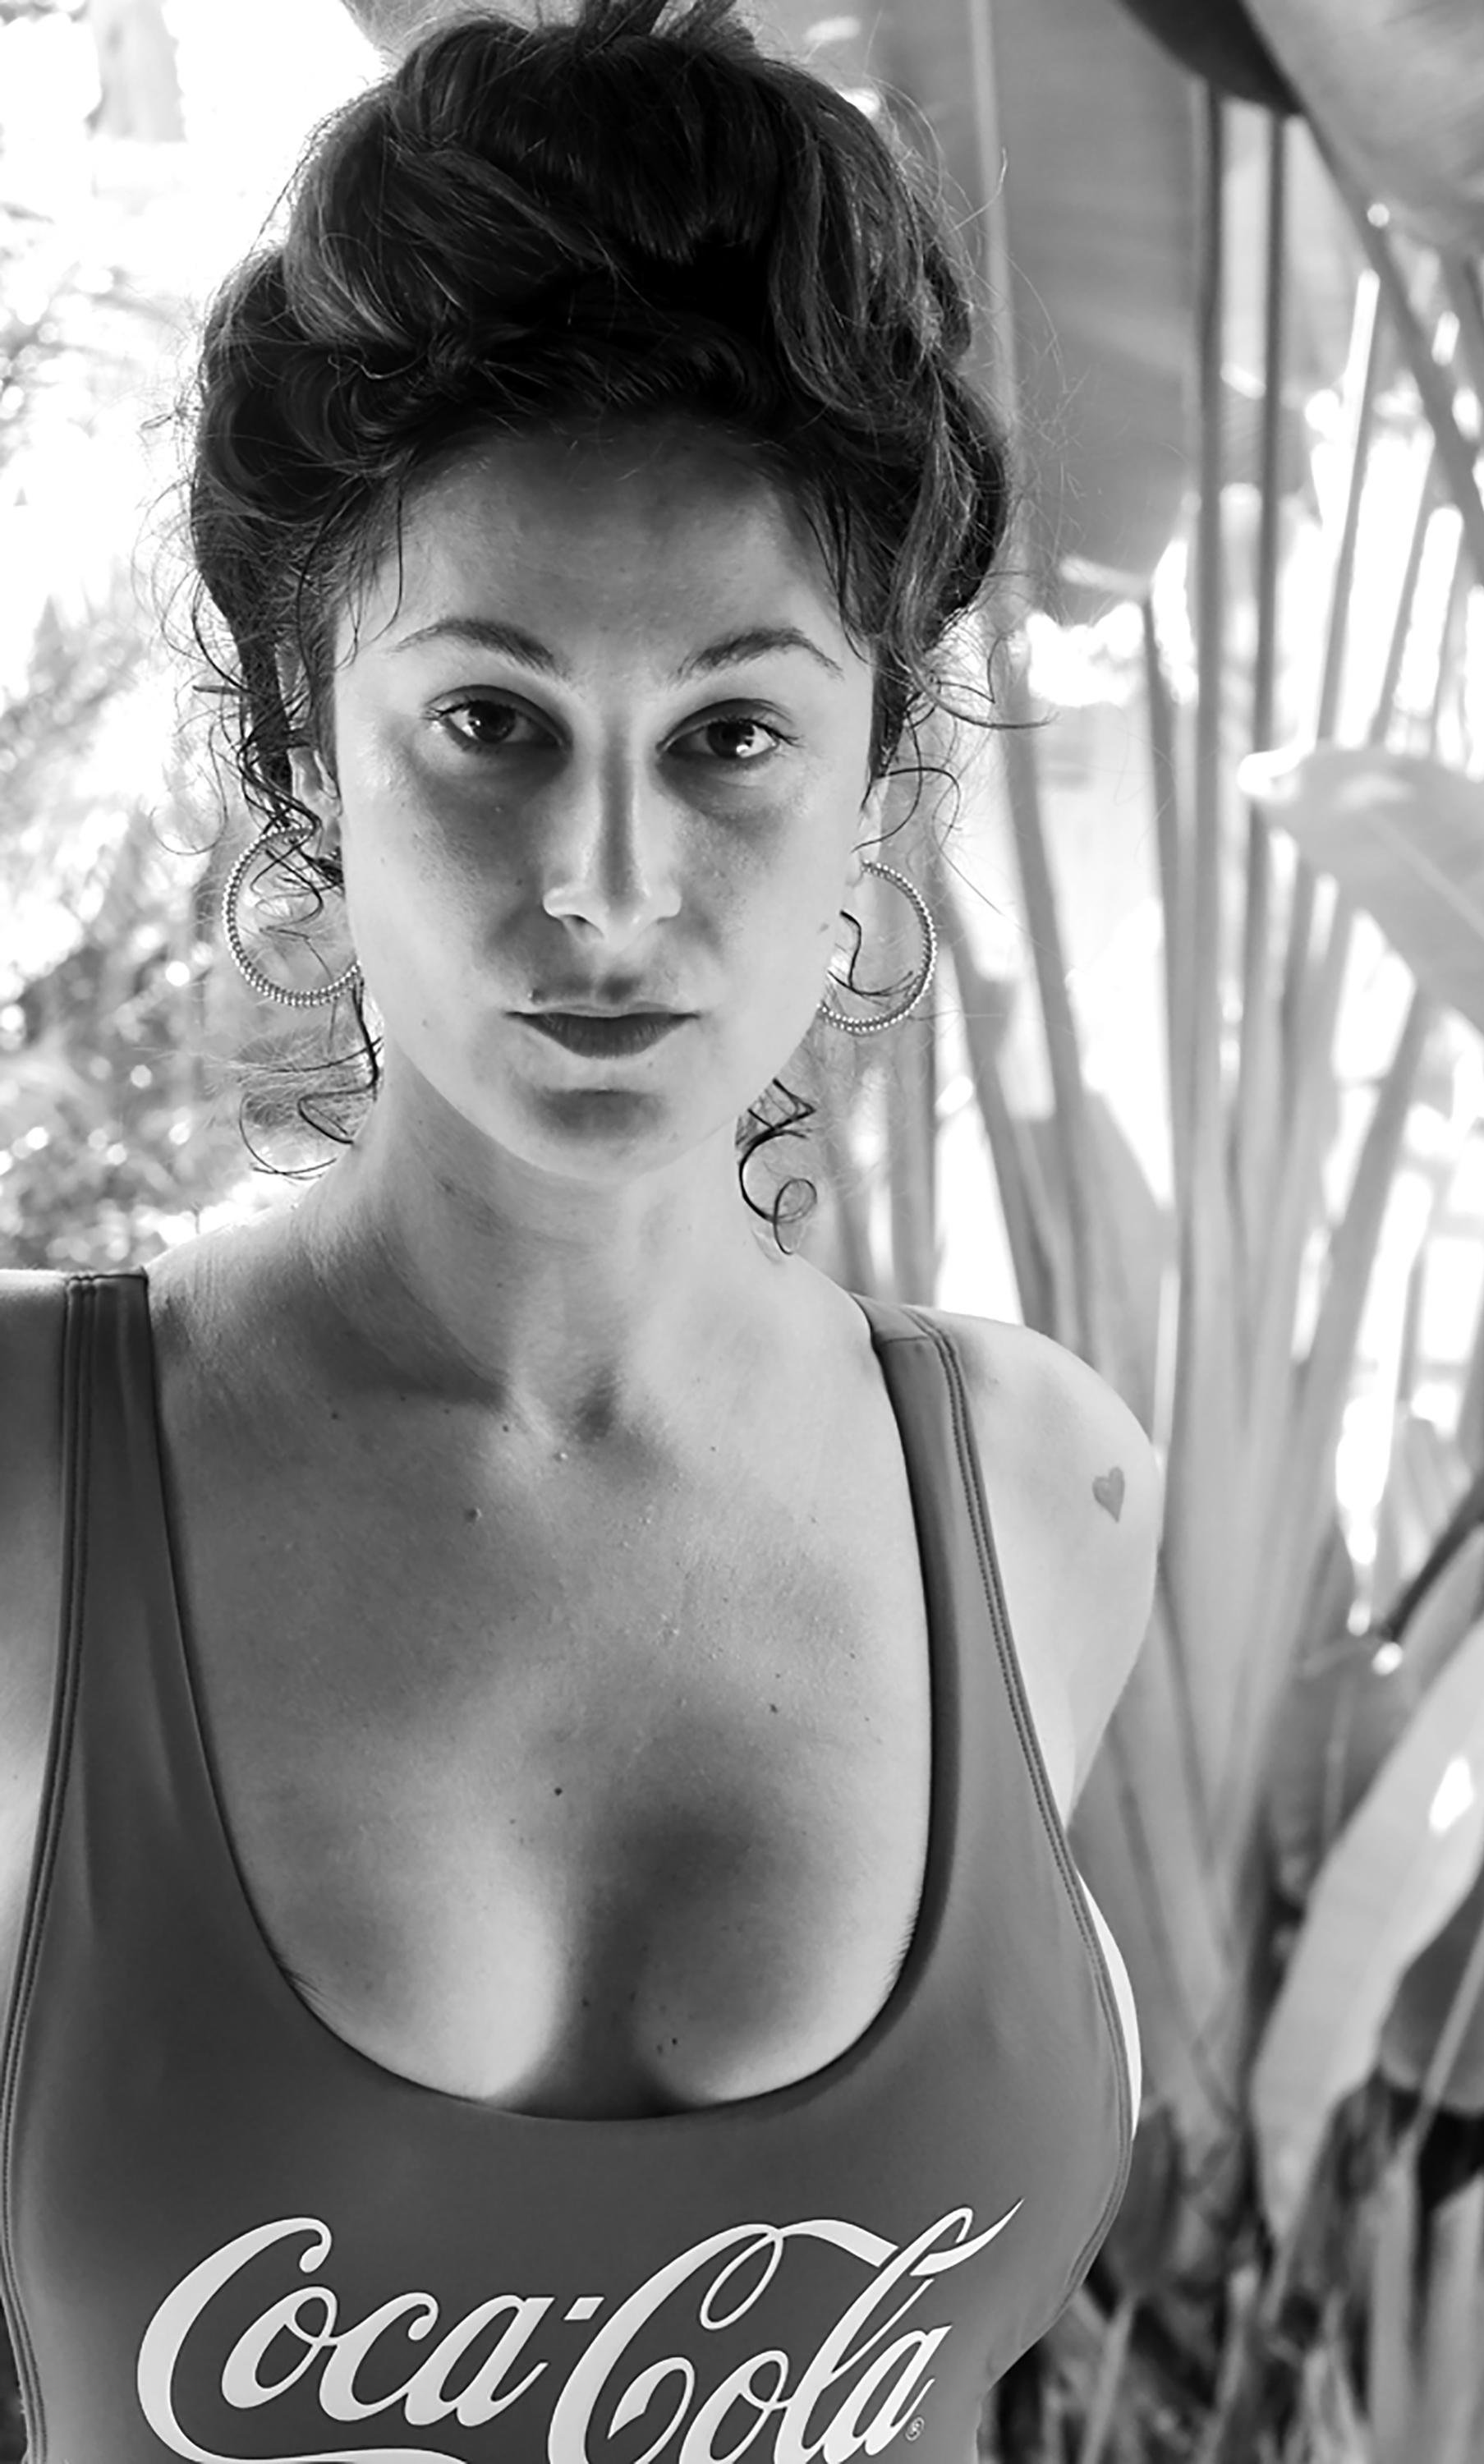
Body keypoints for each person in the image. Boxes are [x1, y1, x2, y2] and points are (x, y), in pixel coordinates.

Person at [0, 3, 1161, 2455]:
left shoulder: (1045, 1499)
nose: (607, 892)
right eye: (489, 722)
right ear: (306, 742)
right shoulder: (21, 1476)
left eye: (733, 736)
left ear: (875, 772)